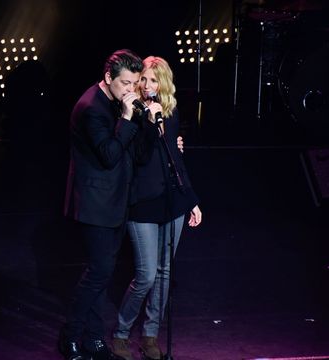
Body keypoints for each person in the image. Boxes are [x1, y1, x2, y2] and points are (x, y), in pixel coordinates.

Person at [110, 56, 202, 360]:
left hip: (172, 200)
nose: (148, 86)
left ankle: (150, 335)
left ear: (164, 83)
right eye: (144, 80)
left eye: (154, 80)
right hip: (142, 203)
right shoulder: (131, 114)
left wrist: (191, 199)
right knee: (147, 274)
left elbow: (176, 160)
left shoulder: (170, 113)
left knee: (165, 273)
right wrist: (150, 124)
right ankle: (121, 333)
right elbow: (139, 156)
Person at [60, 49, 146, 360]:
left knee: (101, 273)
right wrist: (126, 117)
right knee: (99, 271)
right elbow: (109, 155)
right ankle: (70, 335)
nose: (130, 91)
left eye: (134, 84)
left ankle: (94, 339)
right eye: (126, 83)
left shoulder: (114, 100)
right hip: (95, 202)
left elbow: (133, 150)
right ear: (108, 78)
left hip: (115, 201)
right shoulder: (90, 108)